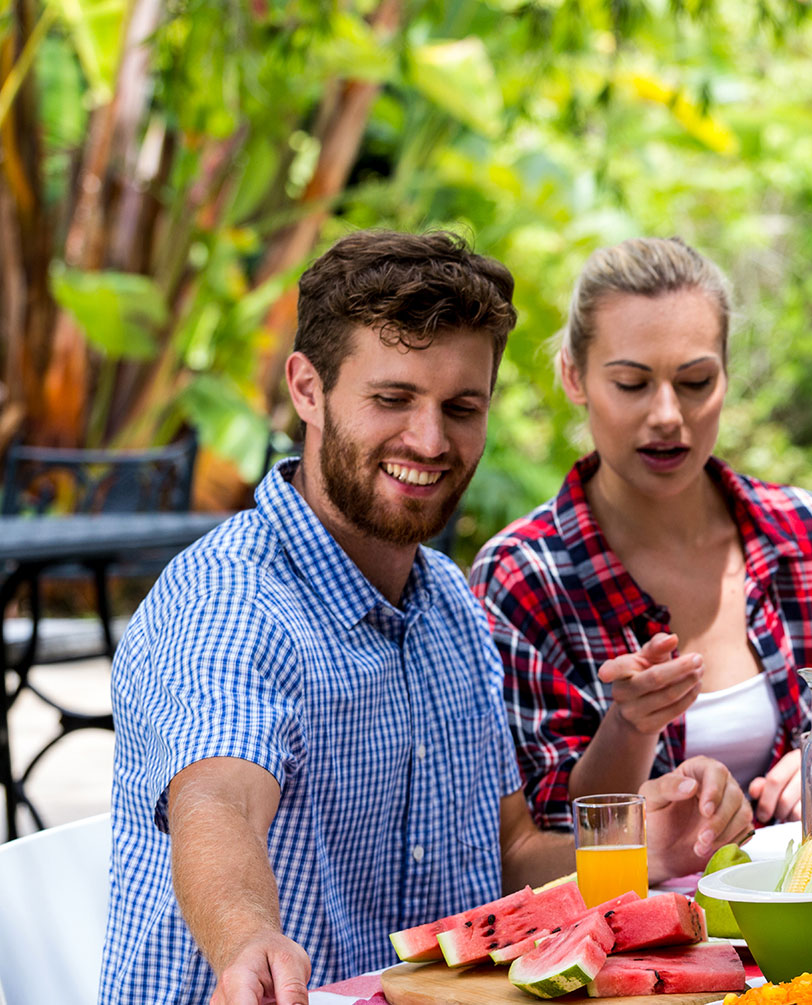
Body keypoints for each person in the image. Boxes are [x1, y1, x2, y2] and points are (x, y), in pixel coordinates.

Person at [102, 231, 570, 1003]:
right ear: (307, 389)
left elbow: (512, 849)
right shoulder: (231, 598)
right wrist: (246, 936)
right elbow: (216, 799)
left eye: (461, 407)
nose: (430, 440)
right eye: (392, 399)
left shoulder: (450, 602)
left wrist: (646, 846)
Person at [470, 237, 812, 841]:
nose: (667, 414)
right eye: (631, 384)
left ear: (726, 374)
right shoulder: (523, 578)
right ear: (573, 376)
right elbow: (539, 835)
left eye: (695, 381)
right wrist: (630, 727)